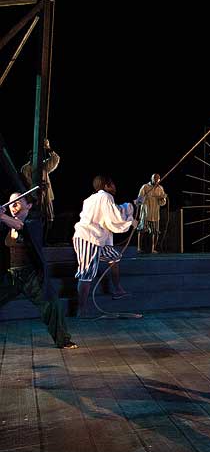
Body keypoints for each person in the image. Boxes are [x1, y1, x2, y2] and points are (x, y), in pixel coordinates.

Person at [1, 192, 76, 348]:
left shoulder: (34, 222)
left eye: (17, 202)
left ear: (28, 205)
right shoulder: (7, 225)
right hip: (12, 275)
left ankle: (63, 340)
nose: (12, 206)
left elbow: (21, 226)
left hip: (31, 276)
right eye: (10, 203)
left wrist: (1, 216)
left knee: (52, 304)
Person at [72, 175, 136, 305]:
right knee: (86, 273)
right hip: (88, 238)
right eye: (112, 184)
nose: (114, 186)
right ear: (106, 186)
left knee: (114, 257)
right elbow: (114, 216)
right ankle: (81, 311)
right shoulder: (105, 197)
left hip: (98, 240)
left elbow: (114, 210)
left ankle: (118, 290)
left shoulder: (92, 199)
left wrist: (133, 204)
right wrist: (130, 222)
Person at [20, 139, 59, 226]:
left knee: (49, 219)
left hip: (47, 197)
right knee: (36, 221)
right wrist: (39, 186)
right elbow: (27, 183)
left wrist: (48, 148)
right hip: (34, 199)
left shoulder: (43, 165)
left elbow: (55, 159)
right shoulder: (26, 168)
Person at [137, 174, 167, 253]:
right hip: (145, 213)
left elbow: (163, 203)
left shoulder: (160, 189)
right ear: (151, 179)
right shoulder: (145, 187)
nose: (156, 180)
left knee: (155, 232)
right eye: (154, 178)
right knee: (142, 230)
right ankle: (139, 248)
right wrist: (145, 196)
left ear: (159, 180)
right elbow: (139, 200)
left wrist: (162, 198)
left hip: (155, 214)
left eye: (157, 179)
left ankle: (153, 249)